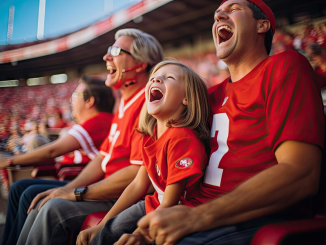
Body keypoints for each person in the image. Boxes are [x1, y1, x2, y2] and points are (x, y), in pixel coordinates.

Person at [136, 1, 325, 244]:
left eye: (233, 9)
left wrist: (198, 217)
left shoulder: (285, 66)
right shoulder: (209, 96)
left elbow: (302, 173)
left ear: (262, 25)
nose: (219, 16)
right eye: (216, 16)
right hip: (196, 211)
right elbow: (167, 153)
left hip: (251, 215)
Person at [14, 29, 163, 245]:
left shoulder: (147, 105)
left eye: (116, 50)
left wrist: (76, 192)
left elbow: (136, 175)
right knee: (39, 198)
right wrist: (67, 188)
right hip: (108, 188)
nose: (106, 56)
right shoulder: (123, 103)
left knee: (51, 209)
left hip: (125, 197)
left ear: (140, 65)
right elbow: (103, 158)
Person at [76, 60, 211, 245]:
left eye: (168, 77)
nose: (156, 80)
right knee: (105, 233)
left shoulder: (183, 139)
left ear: (186, 98)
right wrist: (101, 225)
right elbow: (137, 185)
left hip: (177, 212)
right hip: (153, 204)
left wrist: (141, 234)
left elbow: (170, 202)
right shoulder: (152, 135)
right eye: (154, 78)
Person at [0, 75, 115, 245]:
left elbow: (52, 151)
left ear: (89, 101)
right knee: (20, 189)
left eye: (75, 95)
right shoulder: (101, 120)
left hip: (98, 186)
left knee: (27, 193)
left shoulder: (98, 121)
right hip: (90, 181)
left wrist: (10, 161)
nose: (71, 100)